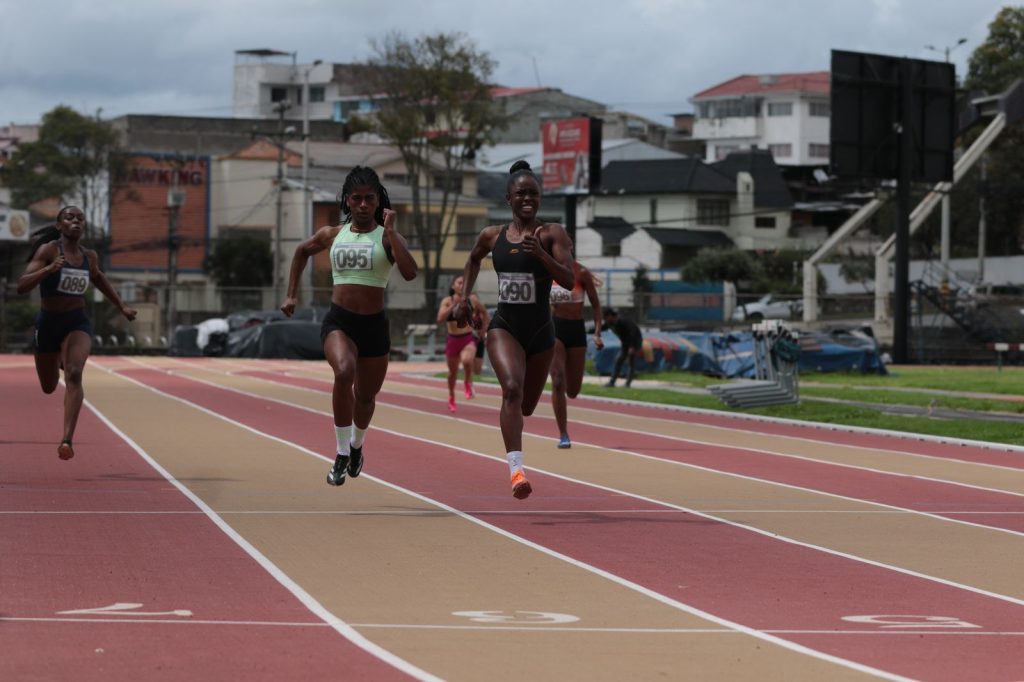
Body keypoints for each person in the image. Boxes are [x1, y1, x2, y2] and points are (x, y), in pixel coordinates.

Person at [280, 166, 417, 486]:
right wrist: (291, 294)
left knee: (365, 398)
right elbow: (301, 252)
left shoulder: (387, 237)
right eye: (357, 198)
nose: (363, 205)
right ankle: (341, 453)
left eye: (370, 198)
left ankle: (356, 446)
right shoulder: (332, 234)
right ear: (346, 200)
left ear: (378, 200)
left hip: (374, 326)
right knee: (343, 372)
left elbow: (410, 273)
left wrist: (392, 232)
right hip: (340, 321)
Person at [457, 160, 574, 499]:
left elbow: (569, 279)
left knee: (525, 407)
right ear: (508, 198)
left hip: (541, 332)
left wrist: (542, 256)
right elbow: (473, 259)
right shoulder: (492, 236)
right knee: (511, 389)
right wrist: (464, 298)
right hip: (504, 327)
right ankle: (517, 471)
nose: (528, 199)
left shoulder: (552, 234)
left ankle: (517, 444)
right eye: (521, 193)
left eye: (533, 194)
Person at [17, 205, 137, 460]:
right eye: (69, 217)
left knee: (74, 374)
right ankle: (58, 356)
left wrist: (122, 306)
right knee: (49, 387)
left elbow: (99, 278)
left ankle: (67, 440)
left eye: (80, 218)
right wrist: (48, 269)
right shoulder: (48, 250)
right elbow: (22, 285)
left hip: (76, 322)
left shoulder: (89, 256)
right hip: (48, 324)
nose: (76, 221)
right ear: (59, 225)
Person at [549, 259, 603, 448]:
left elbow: (596, 305)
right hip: (555, 327)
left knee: (572, 391)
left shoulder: (581, 273)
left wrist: (597, 334)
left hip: (576, 329)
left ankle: (565, 382)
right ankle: (563, 434)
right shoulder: (547, 269)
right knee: (557, 380)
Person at [436, 275, 489, 412]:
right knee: (452, 373)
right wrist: (454, 305)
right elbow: (440, 318)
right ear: (453, 286)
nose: (462, 285)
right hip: (452, 340)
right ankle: (451, 396)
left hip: (467, 338)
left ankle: (467, 383)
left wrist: (484, 329)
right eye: (459, 283)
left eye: (464, 282)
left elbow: (484, 313)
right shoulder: (447, 301)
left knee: (467, 360)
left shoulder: (472, 299)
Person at [603, 307, 643, 388]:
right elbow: (601, 328)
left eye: (606, 317)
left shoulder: (623, 321)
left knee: (631, 361)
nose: (605, 320)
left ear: (610, 316)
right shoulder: (610, 323)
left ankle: (627, 383)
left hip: (635, 341)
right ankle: (612, 382)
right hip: (625, 343)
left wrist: (632, 347)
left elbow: (633, 332)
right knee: (619, 360)